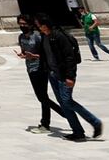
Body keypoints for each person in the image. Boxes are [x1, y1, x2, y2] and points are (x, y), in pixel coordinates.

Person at [35, 13, 103, 142]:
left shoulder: (59, 36)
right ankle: (77, 131)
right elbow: (45, 55)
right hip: (53, 75)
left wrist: (70, 76)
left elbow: (69, 57)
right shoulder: (45, 37)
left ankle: (95, 122)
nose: (38, 28)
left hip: (64, 75)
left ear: (45, 25)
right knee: (64, 103)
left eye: (39, 25)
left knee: (67, 101)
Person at [14, 15, 63, 133]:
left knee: (42, 96)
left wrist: (34, 56)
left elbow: (46, 54)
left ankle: (46, 123)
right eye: (20, 23)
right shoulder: (21, 37)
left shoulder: (38, 36)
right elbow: (25, 51)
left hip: (41, 68)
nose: (22, 26)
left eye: (24, 24)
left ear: (30, 24)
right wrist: (23, 55)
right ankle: (61, 113)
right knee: (41, 97)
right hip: (30, 68)